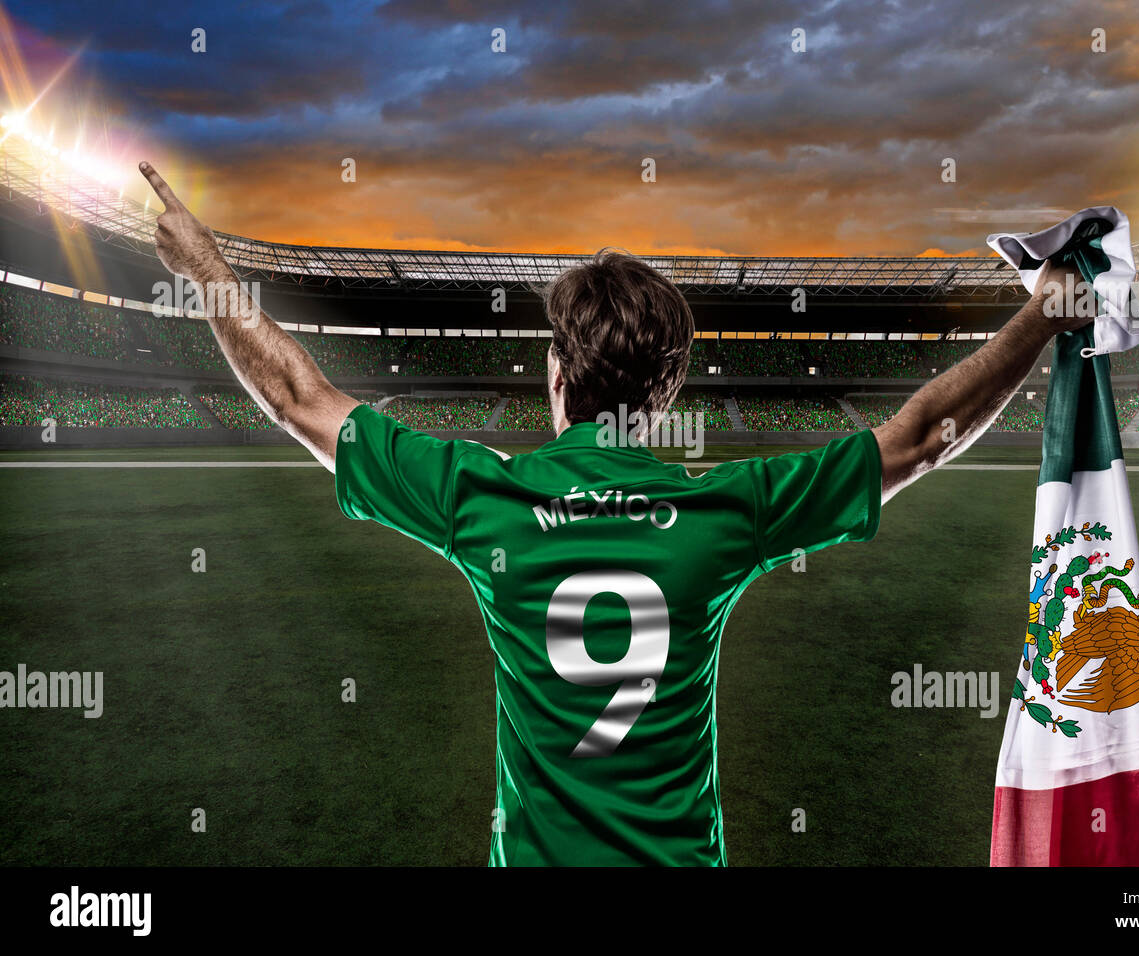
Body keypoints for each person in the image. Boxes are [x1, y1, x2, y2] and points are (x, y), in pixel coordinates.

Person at [139, 161, 1087, 866]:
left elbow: (301, 400)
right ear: (667, 392)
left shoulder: (484, 498)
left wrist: (204, 266)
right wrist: (1047, 309)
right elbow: (923, 436)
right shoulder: (726, 510)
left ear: (555, 374)